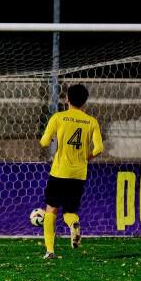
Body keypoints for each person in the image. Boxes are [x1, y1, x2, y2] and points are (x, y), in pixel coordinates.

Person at [38, 84, 104, 259]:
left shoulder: (58, 118)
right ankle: (73, 223)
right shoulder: (91, 122)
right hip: (79, 174)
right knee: (69, 212)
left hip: (59, 172)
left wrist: (51, 137)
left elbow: (44, 143)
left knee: (51, 210)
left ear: (67, 99)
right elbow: (99, 149)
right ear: (84, 102)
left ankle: (50, 251)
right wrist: (86, 158)